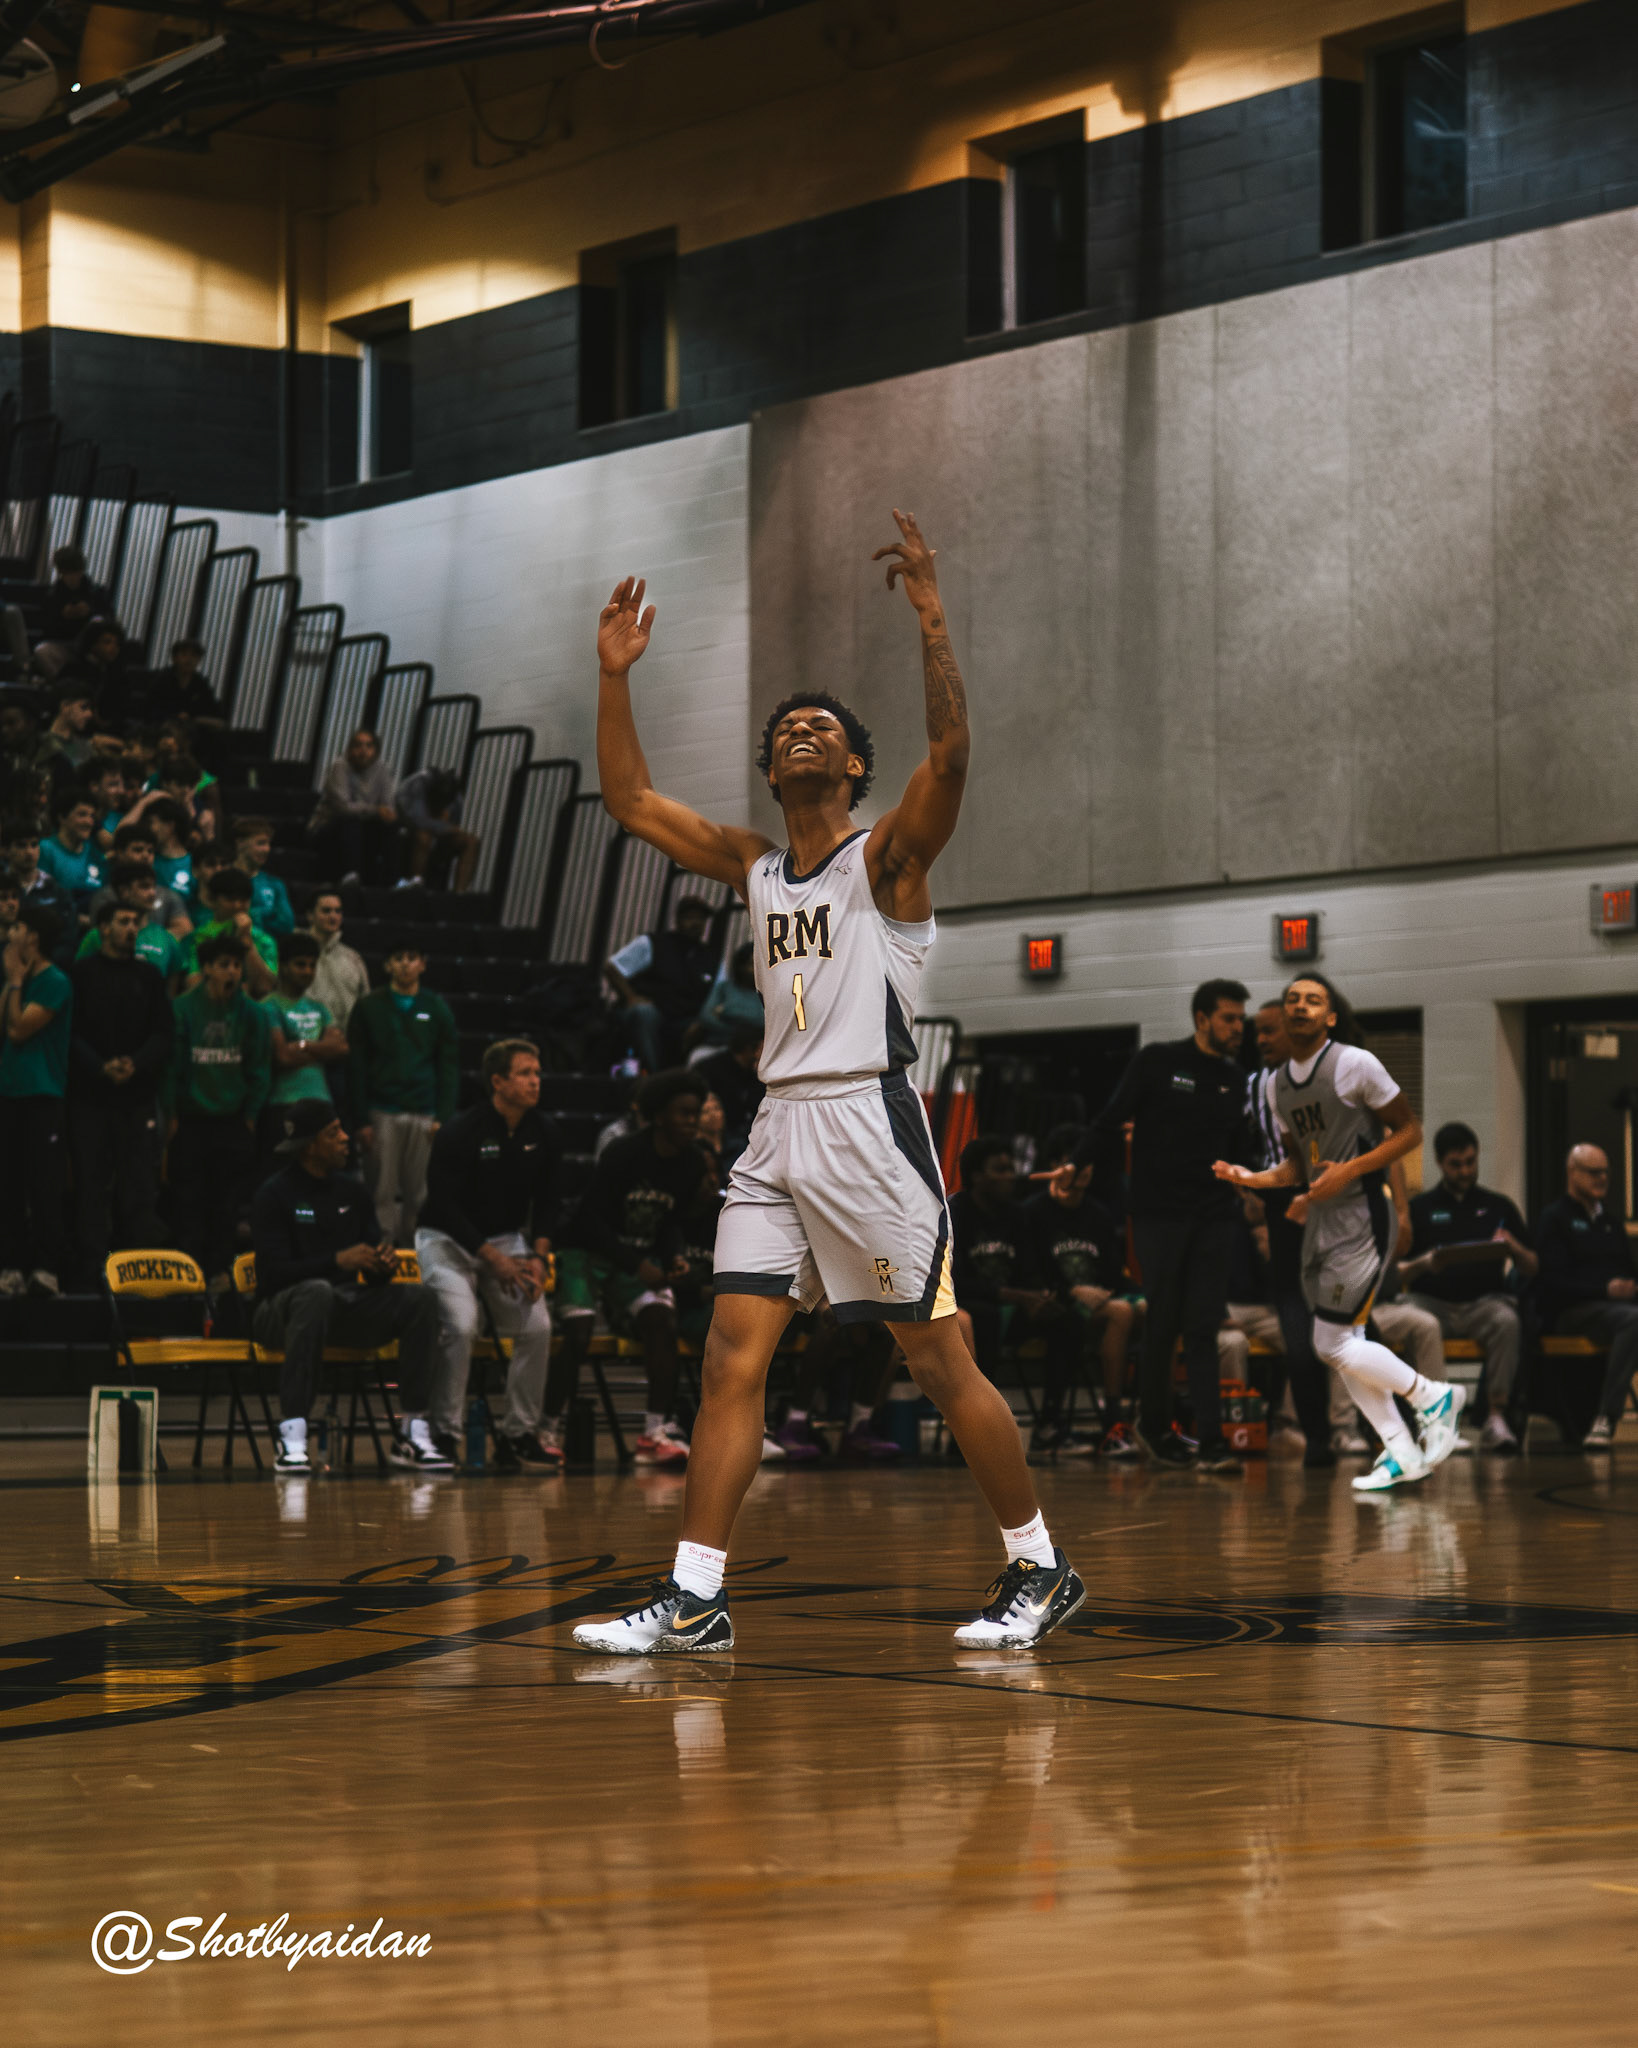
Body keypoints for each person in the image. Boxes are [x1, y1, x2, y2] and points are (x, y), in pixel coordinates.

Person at [573, 514, 1083, 1657]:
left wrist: (933, 620)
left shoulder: (885, 858)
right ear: (771, 768)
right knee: (729, 1354)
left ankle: (1040, 1563)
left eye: (825, 728)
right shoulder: (754, 863)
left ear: (853, 765)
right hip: (777, 1127)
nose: (802, 731)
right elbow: (633, 803)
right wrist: (613, 677)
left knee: (937, 1358)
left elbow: (952, 760)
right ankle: (696, 1595)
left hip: (869, 1120)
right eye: (786, 729)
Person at [1213, 974, 1464, 1493]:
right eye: (1292, 999)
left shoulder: (1355, 1063)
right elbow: (1297, 1166)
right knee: (1345, 1341)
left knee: (1330, 1343)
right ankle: (1401, 1449)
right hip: (1321, 1219)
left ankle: (1431, 1395)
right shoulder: (1276, 1085)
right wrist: (1253, 1178)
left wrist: (1350, 1169)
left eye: (1313, 1000)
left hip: (1364, 1213)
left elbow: (1409, 1131)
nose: (1300, 1006)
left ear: (1330, 1017)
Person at [1053, 980, 1255, 1473]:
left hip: (1214, 1215)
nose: (1238, 1027)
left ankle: (1212, 1443)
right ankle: (1155, 1426)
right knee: (1163, 1320)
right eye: (1229, 1018)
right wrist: (1075, 1163)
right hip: (1158, 1214)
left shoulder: (1236, 1080)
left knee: (1203, 1325)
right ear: (1202, 1018)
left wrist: (1254, 1193)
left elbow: (1242, 1153)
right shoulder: (1158, 1061)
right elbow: (1109, 1121)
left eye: (1241, 1019)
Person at [250, 1098, 451, 1475]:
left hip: (340, 1307)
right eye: (333, 1133)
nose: (346, 1138)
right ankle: (292, 1436)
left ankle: (413, 1431)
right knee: (316, 1293)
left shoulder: (352, 1193)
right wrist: (337, 1261)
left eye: (342, 1129)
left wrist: (381, 1265)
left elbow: (370, 1262)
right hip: (278, 1312)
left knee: (420, 1298)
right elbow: (273, 1274)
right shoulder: (274, 1195)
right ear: (310, 1146)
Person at [546, 1068, 709, 1470]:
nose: (693, 1122)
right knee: (579, 1331)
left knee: (662, 1322)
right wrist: (637, 1264)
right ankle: (544, 1429)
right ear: (659, 1115)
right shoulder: (624, 1152)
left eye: (697, 1113)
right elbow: (588, 1220)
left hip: (634, 1262)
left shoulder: (693, 1163)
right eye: (684, 1113)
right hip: (587, 1251)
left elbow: (671, 1222)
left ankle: (653, 1433)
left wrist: (674, 1256)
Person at [417, 1038, 561, 1469]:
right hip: (446, 1239)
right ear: (497, 1082)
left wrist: (538, 1258)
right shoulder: (460, 1131)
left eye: (537, 1072)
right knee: (461, 1325)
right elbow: (443, 1204)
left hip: (505, 1240)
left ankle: (519, 1434)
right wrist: (490, 1258)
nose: (535, 1081)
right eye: (525, 1073)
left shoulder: (545, 1131)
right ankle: (445, 1433)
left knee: (537, 1326)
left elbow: (549, 1201)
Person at [1401, 1120, 1535, 1452]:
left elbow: (1533, 1266)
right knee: (1414, 1319)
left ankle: (1495, 1416)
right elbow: (1397, 1273)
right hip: (1432, 1303)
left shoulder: (1498, 1206)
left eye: (1470, 1162)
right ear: (1439, 1162)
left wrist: (1513, 1247)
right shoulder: (1420, 1209)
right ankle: (1432, 1419)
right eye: (1456, 1164)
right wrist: (1425, 1263)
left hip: (1482, 1304)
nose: (1464, 1171)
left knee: (1507, 1320)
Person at [951, 1133, 1087, 1457]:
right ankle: (975, 1431)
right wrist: (1013, 1295)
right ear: (976, 1176)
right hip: (970, 1308)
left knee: (1066, 1319)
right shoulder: (956, 1212)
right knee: (984, 1318)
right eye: (1000, 1170)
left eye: (1012, 1168)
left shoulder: (1016, 1214)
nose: (1010, 1176)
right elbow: (955, 1281)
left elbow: (1029, 1270)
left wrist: (1039, 1296)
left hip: (1010, 1307)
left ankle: (1049, 1425)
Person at [1246, 997, 1339, 1465]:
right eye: (1258, 1032)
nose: (1261, 1039)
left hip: (1331, 1206)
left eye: (1270, 1030)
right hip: (1283, 1208)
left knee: (1354, 1327)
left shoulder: (1329, 1074)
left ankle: (1402, 1425)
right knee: (1298, 1335)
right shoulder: (1252, 1085)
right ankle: (1318, 1438)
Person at [68, 899, 172, 1277]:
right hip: (90, 1097)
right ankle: (91, 1269)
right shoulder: (81, 974)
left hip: (137, 1096)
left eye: (135, 922)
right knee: (91, 1183)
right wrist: (100, 1066)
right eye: (123, 921)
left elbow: (163, 1033)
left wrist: (135, 1063)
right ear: (103, 928)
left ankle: (138, 1269)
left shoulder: (149, 976)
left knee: (138, 1185)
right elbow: (69, 1032)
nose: (131, 928)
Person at [1027, 1122, 1141, 1452]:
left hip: (1098, 1302)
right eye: (1071, 1161)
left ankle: (1153, 1418)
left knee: (1155, 1310)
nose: (1081, 1170)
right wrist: (1071, 1291)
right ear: (1053, 1165)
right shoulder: (1033, 1213)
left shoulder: (1098, 1214)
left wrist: (1143, 1294)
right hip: (1055, 1304)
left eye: (1086, 1162)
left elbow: (1112, 1274)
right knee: (1121, 1312)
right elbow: (1030, 1273)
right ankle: (1113, 1419)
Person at [165, 932, 271, 1286]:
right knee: (188, 1200)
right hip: (192, 1120)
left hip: (232, 1120)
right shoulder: (183, 1008)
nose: (232, 972)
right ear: (207, 968)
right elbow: (172, 1069)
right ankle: (188, 1276)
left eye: (237, 966)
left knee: (226, 1204)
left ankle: (220, 1274)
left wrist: (251, 1116)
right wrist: (173, 1113)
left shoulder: (252, 1013)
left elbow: (259, 1069)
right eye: (224, 965)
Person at [347, 941, 458, 1242]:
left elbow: (448, 1066)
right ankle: (381, 1252)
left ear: (423, 964)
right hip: (381, 1109)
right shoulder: (369, 1006)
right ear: (388, 966)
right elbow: (356, 1066)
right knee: (379, 1189)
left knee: (420, 1193)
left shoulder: (436, 1007)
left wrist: (443, 1116)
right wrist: (361, 1119)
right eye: (399, 958)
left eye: (412, 958)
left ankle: (416, 1251)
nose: (406, 964)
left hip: (424, 1111)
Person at [1534, 1143, 1638, 1449]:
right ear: (1572, 1172)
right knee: (1633, 1320)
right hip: (1571, 1311)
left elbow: (1627, 1270)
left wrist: (1628, 1288)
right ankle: (1606, 1416)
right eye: (1593, 1172)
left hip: (1614, 1311)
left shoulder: (1610, 1223)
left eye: (1605, 1172)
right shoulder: (1555, 1218)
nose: (1602, 1178)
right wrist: (1604, 1290)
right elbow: (1552, 1282)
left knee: (1631, 1317)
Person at [0, 902, 72, 1295]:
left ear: (34, 937)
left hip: (42, 1095)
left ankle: (46, 1268)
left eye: (18, 928)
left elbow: (18, 1030)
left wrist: (14, 982)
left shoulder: (55, 981)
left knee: (43, 1184)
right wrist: (12, 980)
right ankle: (11, 1264)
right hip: (9, 1091)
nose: (10, 933)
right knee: (8, 1182)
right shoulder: (16, 978)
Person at [604, 895, 720, 1073]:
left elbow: (718, 995)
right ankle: (655, 1074)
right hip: (655, 1012)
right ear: (678, 919)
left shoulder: (711, 958)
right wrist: (631, 997)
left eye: (701, 919)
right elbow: (612, 967)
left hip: (687, 1018)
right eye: (690, 917)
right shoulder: (653, 943)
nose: (696, 923)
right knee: (643, 1013)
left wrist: (702, 1021)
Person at [261, 931, 348, 1158]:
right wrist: (321, 1049)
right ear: (283, 967)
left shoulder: (319, 1008)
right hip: (284, 1103)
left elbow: (341, 1048)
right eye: (300, 965)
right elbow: (282, 1056)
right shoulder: (269, 1006)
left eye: (312, 965)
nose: (308, 971)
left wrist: (302, 1046)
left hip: (322, 1103)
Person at [309, 728, 398, 885]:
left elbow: (388, 806)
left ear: (376, 751)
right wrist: (375, 810)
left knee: (391, 826)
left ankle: (392, 882)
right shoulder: (340, 766)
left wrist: (386, 814)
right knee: (350, 820)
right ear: (349, 749)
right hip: (328, 826)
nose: (363, 751)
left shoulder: (382, 769)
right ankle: (351, 876)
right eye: (358, 745)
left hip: (364, 829)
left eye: (369, 746)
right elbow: (343, 807)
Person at [177, 864, 277, 997]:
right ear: (212, 900)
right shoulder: (197, 938)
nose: (237, 905)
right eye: (230, 899)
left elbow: (265, 987)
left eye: (243, 900)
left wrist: (246, 940)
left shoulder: (263, 940)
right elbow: (193, 984)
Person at [396, 765, 479, 892]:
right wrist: (442, 826)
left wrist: (445, 826)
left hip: (438, 838)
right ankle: (415, 884)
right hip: (409, 834)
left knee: (471, 842)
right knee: (424, 837)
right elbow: (419, 821)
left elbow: (453, 825)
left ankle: (460, 893)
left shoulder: (455, 796)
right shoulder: (417, 785)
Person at [692, 1026, 765, 1165]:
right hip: (723, 1135)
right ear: (750, 1049)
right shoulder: (709, 1070)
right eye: (763, 1047)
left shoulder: (761, 1072)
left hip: (752, 1134)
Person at [34, 545, 111, 677]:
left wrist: (89, 612)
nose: (72, 578)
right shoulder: (53, 596)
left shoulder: (96, 593)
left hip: (92, 649)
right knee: (42, 651)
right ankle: (61, 682)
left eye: (76, 573)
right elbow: (46, 629)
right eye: (68, 574)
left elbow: (108, 621)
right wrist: (63, 616)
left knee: (97, 622)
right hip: (65, 644)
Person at [307, 888, 369, 1030]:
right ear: (310, 915)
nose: (333, 916)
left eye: (338, 911)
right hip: (305, 1035)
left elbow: (365, 1001)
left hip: (345, 1036)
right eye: (326, 911)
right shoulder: (295, 953)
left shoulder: (353, 958)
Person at [36, 787, 104, 912]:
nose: (89, 822)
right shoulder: (45, 849)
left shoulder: (95, 853)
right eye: (82, 814)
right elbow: (42, 896)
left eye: (92, 816)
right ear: (62, 817)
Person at [691, 940, 763, 1051]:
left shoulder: (763, 994)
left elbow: (762, 1021)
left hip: (749, 1051)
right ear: (740, 966)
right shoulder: (725, 988)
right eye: (750, 964)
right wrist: (735, 1031)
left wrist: (725, 1009)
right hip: (717, 1043)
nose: (755, 969)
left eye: (758, 965)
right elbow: (706, 1017)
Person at [233, 817, 295, 936]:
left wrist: (252, 915)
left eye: (268, 844)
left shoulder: (275, 884)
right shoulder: (223, 879)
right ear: (240, 843)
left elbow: (287, 925)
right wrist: (267, 914)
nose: (267, 849)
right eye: (260, 843)